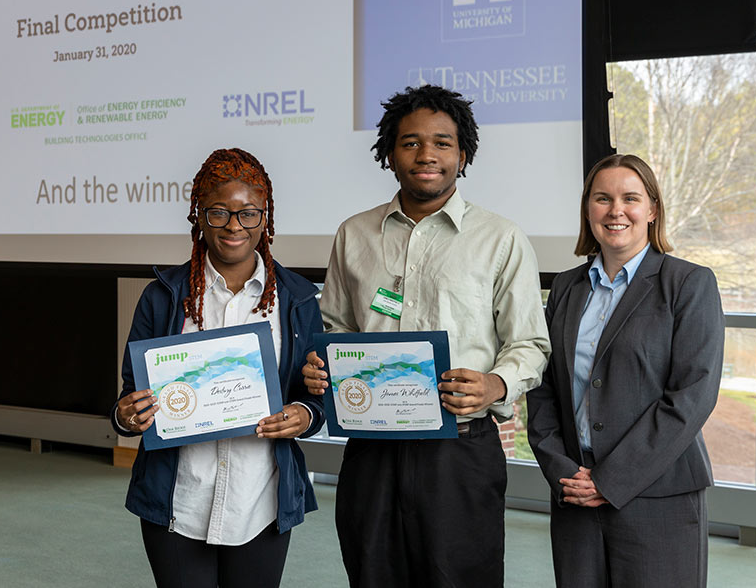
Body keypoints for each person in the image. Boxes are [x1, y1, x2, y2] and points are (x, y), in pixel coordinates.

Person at [302, 84, 551, 587]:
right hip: (372, 451)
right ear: (390, 154)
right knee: (372, 575)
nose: (426, 155)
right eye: (410, 142)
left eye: (442, 142)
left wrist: (495, 384)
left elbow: (530, 343)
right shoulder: (354, 234)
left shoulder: (500, 239)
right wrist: (320, 364)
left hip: (459, 452)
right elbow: (333, 327)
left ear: (463, 154)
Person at [111, 148, 325, 588]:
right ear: (198, 216)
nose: (233, 226)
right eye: (219, 213)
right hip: (179, 500)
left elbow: (315, 394)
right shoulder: (163, 296)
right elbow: (130, 395)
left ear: (265, 218)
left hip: (260, 502)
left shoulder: (299, 299)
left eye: (248, 214)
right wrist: (126, 416)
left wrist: (304, 415)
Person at [527, 154, 724, 588]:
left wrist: (610, 480)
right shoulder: (565, 287)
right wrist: (562, 470)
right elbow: (544, 388)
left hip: (658, 496)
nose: (616, 210)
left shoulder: (689, 284)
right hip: (576, 491)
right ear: (588, 209)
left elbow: (692, 397)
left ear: (652, 210)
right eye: (603, 198)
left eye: (630, 198)